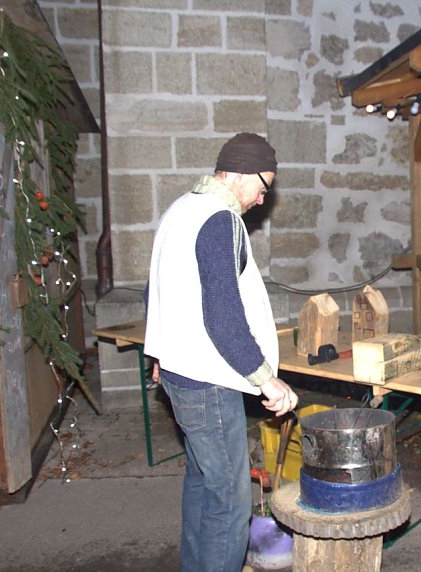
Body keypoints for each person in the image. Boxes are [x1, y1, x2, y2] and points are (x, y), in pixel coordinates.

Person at [144, 132, 298, 572]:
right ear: (241, 173)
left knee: (202, 483)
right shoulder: (219, 218)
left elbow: (156, 289)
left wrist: (157, 354)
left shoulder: (181, 209)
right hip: (208, 381)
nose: (261, 199)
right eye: (262, 187)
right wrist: (265, 377)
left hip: (180, 371)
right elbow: (223, 317)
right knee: (230, 501)